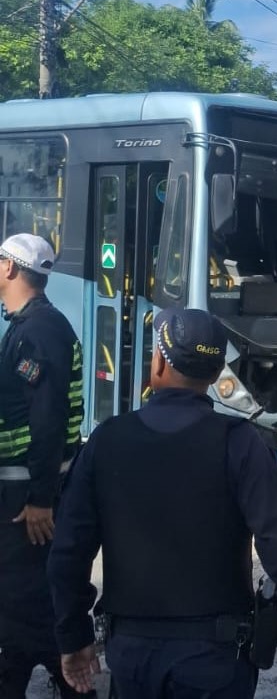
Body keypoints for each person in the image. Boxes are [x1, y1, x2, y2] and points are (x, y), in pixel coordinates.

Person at [47, 307, 277, 698]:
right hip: (217, 657)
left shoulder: (107, 441)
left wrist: (73, 635)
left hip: (132, 654)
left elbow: (68, 552)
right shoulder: (241, 443)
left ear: (159, 360)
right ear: (215, 375)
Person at [0, 233, 87, 698]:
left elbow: (48, 417)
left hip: (24, 499)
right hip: (22, 492)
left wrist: (40, 498)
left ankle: (70, 676)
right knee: (19, 600)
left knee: (26, 598)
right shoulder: (29, 324)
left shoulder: (38, 330)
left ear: (11, 269)